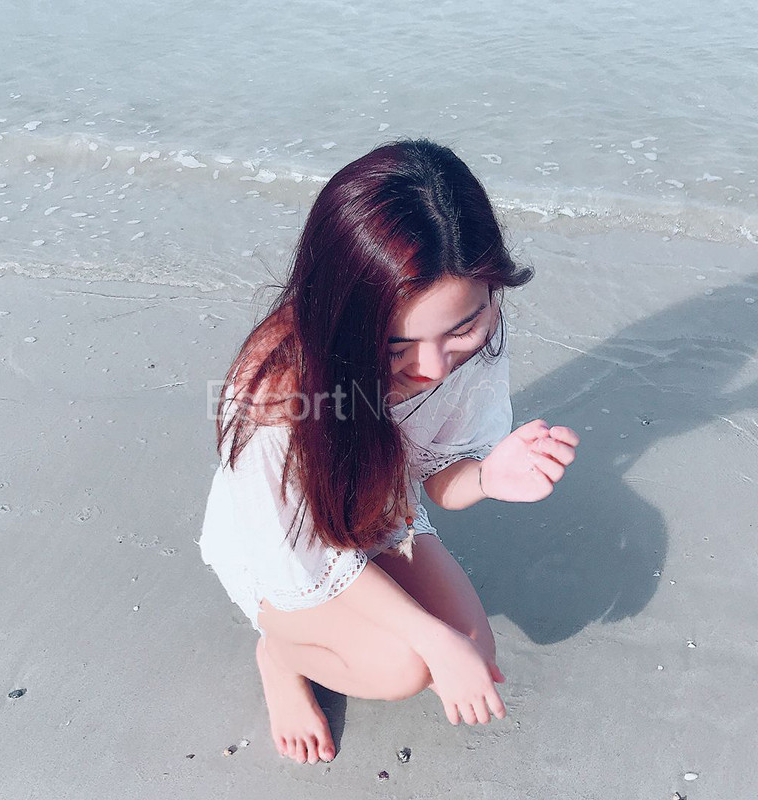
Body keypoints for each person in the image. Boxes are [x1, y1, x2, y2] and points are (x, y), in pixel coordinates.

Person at [199, 138, 579, 766]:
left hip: (378, 512)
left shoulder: (470, 319)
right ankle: (279, 655)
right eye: (398, 346)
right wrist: (432, 640)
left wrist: (488, 476)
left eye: (462, 329)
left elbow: (436, 479)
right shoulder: (279, 395)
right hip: (289, 546)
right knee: (404, 666)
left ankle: (374, 639)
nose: (434, 367)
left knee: (475, 650)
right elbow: (310, 553)